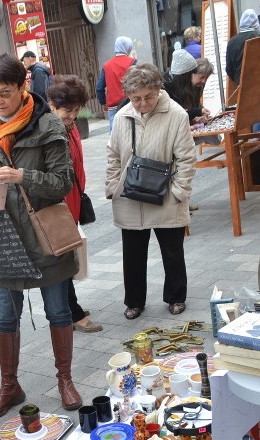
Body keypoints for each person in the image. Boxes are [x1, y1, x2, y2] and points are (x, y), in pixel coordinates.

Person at [0, 53, 82, 418]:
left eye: (5, 93)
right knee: (6, 317)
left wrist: (23, 177)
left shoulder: (49, 126)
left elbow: (63, 183)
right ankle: (10, 386)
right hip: (5, 239)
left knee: (58, 310)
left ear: (23, 87)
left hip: (44, 235)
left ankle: (65, 379)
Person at [106, 63, 196, 320]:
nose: (142, 103)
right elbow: (112, 155)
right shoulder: (123, 116)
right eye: (136, 99)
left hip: (166, 195)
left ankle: (176, 297)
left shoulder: (176, 114)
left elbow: (187, 159)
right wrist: (113, 185)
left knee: (172, 251)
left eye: (148, 97)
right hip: (129, 196)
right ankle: (134, 301)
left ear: (158, 89)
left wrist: (179, 192)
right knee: (132, 254)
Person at [46, 74, 103, 334]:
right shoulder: (49, 130)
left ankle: (70, 309)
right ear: (52, 105)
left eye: (76, 110)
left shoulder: (68, 127)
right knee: (63, 262)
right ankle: (72, 313)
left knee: (70, 258)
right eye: (67, 111)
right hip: (58, 208)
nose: (73, 115)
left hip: (72, 203)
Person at [95, 37, 137, 132]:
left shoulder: (107, 66)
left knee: (114, 135)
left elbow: (99, 88)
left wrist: (103, 103)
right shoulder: (132, 62)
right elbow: (138, 82)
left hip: (113, 107)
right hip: (130, 103)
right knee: (132, 132)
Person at [164, 51, 215, 126]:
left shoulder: (196, 86)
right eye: (201, 77)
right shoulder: (169, 88)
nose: (204, 81)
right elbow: (179, 113)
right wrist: (197, 113)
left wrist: (199, 113)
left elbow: (190, 109)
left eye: (206, 78)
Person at [226, 10, 260, 87]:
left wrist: (238, 79)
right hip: (259, 82)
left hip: (240, 84)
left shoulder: (232, 41)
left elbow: (229, 68)